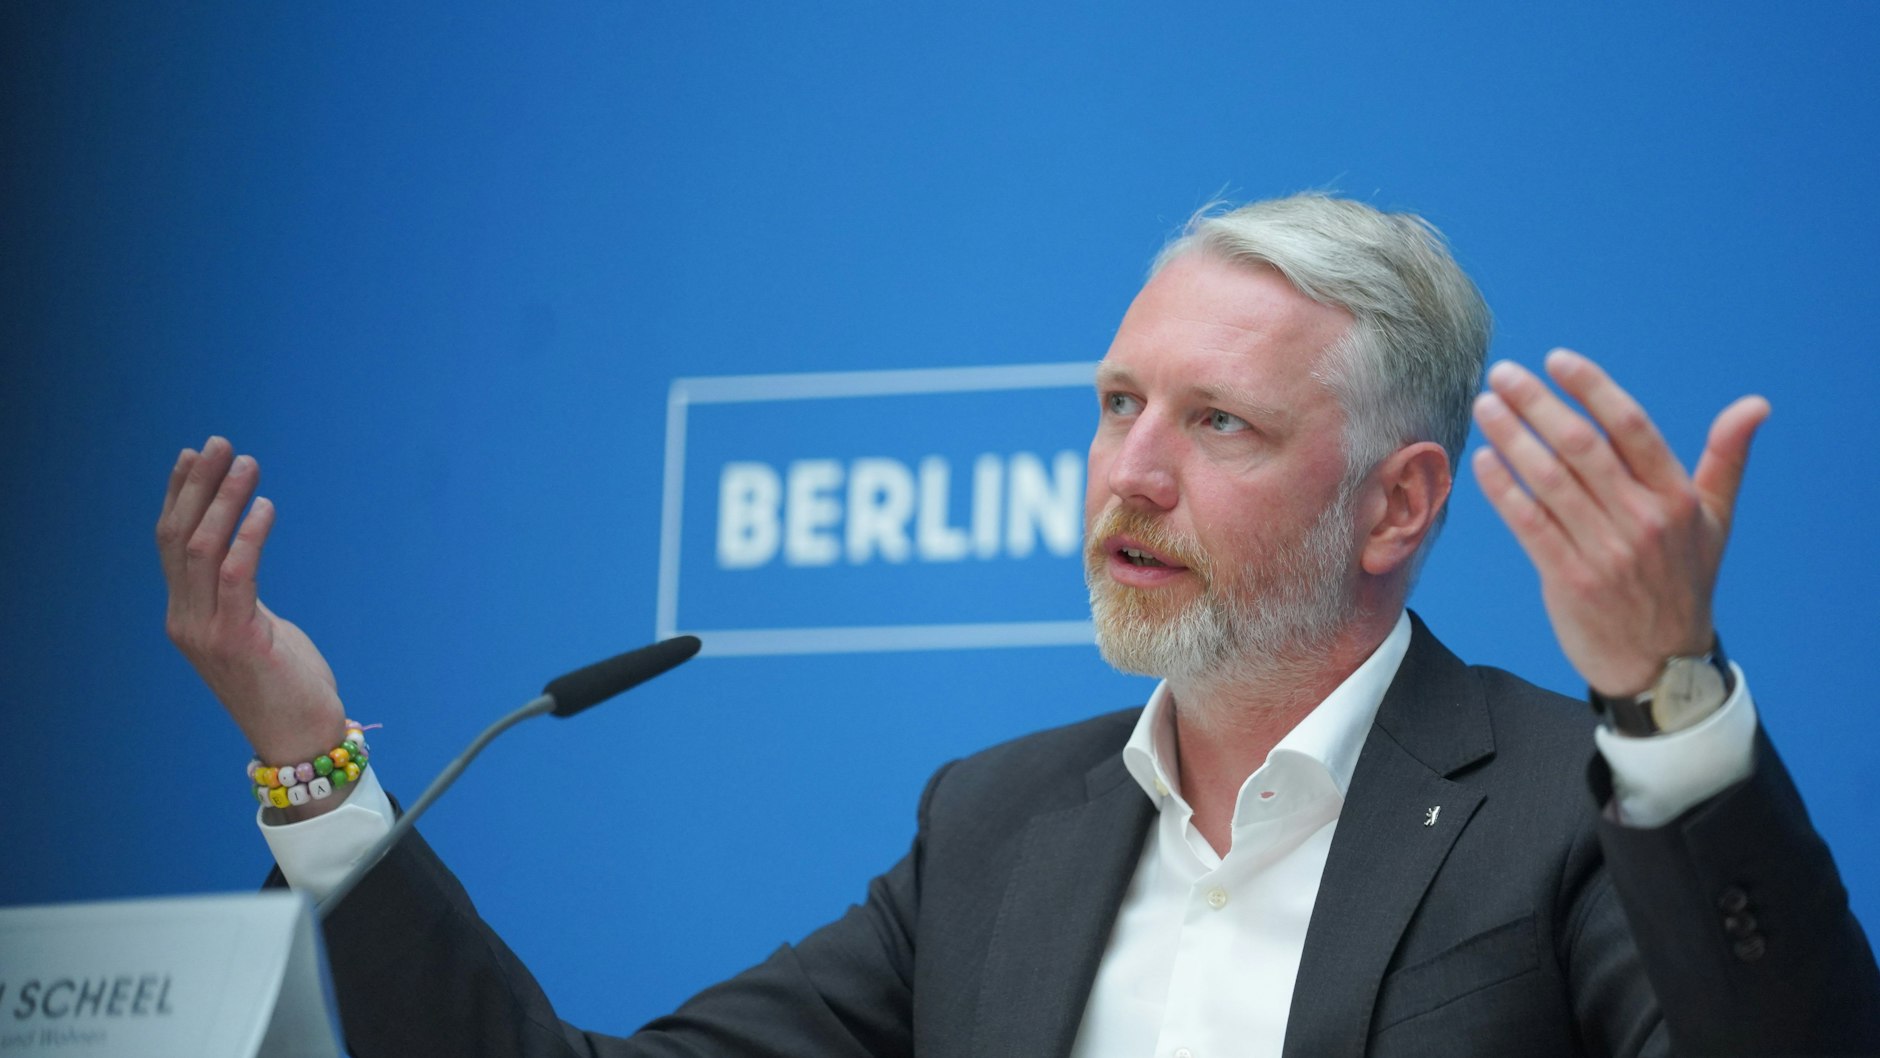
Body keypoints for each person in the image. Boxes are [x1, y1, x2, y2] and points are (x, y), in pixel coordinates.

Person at [157, 194, 1880, 1056]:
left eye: (1218, 423)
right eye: (1118, 402)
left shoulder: (1566, 806)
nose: (1129, 471)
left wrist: (1666, 700)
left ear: (1397, 505)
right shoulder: (994, 830)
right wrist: (311, 765)